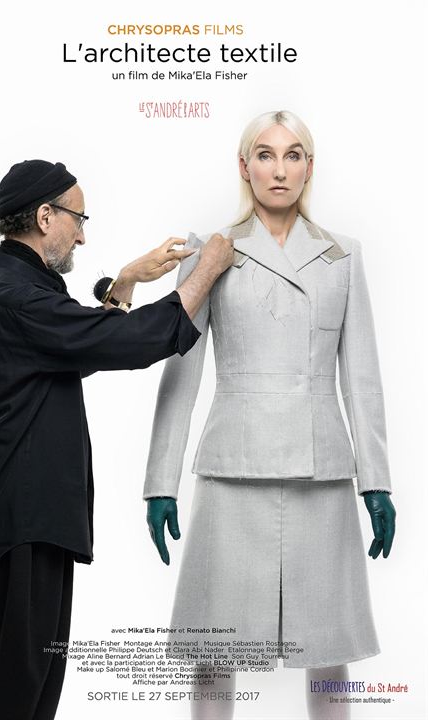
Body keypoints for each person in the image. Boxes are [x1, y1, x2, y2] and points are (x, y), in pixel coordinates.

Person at [0, 159, 234, 720]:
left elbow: (79, 348)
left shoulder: (16, 291)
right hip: (21, 521)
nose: (82, 235)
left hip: (32, 520)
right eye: (78, 219)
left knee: (34, 695)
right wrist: (207, 269)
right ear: (45, 216)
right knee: (12, 697)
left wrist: (125, 282)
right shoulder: (12, 297)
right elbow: (131, 343)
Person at [144, 111, 396, 720]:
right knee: (215, 650)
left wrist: (377, 482)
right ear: (244, 166)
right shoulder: (211, 250)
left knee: (328, 649)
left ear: (309, 167)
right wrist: (160, 483)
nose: (279, 169)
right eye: (264, 154)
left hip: (321, 470)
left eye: (292, 155)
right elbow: (182, 373)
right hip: (232, 467)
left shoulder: (342, 255)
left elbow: (362, 378)